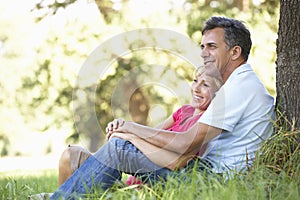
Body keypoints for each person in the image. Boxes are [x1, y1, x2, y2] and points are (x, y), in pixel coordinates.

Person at [49, 16, 275, 199]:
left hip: (210, 180)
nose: (204, 53)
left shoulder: (241, 87)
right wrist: (129, 132)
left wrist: (130, 128)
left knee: (118, 148)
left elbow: (185, 143)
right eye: (203, 47)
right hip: (202, 171)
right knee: (116, 147)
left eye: (212, 47)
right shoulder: (237, 85)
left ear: (235, 52)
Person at [57, 64, 223, 187]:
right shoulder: (184, 111)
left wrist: (127, 136)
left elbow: (174, 161)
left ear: (217, 93)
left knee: (117, 146)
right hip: (127, 178)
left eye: (206, 85)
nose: (197, 88)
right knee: (70, 154)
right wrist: (122, 126)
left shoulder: (205, 123)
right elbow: (151, 133)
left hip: (143, 186)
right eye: (195, 81)